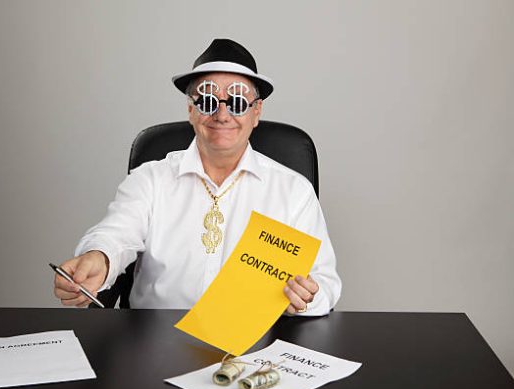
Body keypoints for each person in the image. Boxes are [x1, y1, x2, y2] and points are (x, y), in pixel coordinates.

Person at [53, 39, 341, 315]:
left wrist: (306, 300)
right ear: (191, 109)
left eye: (238, 102)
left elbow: (325, 282)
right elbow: (116, 235)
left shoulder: (293, 191)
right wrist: (98, 257)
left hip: (254, 349)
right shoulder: (150, 180)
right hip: (156, 341)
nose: (222, 114)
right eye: (207, 100)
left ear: (256, 112)